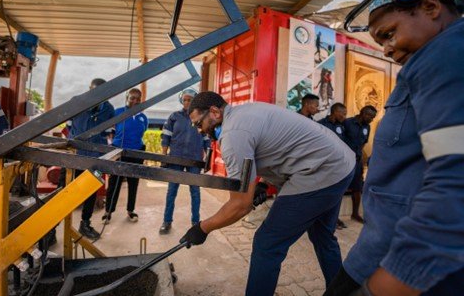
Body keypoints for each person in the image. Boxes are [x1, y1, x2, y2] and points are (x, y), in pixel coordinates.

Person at [324, 0, 464, 295]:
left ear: (430, 8)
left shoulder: (443, 54)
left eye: (389, 34)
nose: (387, 49)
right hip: (382, 246)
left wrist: (391, 282)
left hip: (402, 258)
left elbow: (456, 181)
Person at [182, 91, 355, 295]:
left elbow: (240, 205)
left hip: (321, 171)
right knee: (322, 236)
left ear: (214, 111)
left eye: (198, 123)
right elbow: (278, 147)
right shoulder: (244, 112)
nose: (199, 130)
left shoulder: (233, 134)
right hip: (342, 163)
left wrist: (202, 228)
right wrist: (262, 184)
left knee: (267, 243)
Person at [67, 78, 115, 240]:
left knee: (90, 191)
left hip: (95, 156)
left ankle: (85, 223)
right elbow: (68, 127)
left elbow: (109, 133)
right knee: (67, 191)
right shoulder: (77, 102)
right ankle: (51, 228)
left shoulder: (108, 109)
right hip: (76, 155)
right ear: (89, 90)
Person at [159, 88, 210, 234]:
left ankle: (196, 223)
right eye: (185, 99)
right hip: (176, 158)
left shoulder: (201, 117)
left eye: (190, 100)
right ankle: (166, 221)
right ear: (181, 100)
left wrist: (207, 159)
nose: (187, 102)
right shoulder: (174, 116)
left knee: (195, 192)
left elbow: (206, 139)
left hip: (195, 160)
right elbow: (166, 136)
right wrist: (164, 155)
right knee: (171, 191)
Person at [102, 88, 148, 223]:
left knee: (133, 183)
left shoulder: (142, 117)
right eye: (132, 98)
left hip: (136, 152)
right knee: (114, 183)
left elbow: (142, 131)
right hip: (119, 151)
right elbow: (111, 131)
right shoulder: (118, 112)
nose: (135, 101)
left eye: (138, 99)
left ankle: (130, 210)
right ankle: (108, 212)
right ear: (127, 98)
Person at [343, 105, 377, 223]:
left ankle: (355, 214)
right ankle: (335, 217)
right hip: (345, 160)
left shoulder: (367, 127)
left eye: (373, 117)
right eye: (370, 116)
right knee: (341, 186)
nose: (371, 119)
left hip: (357, 161)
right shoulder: (347, 123)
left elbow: (364, 142)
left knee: (357, 187)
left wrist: (360, 154)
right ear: (363, 113)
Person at [318, 103, 348, 229]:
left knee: (336, 192)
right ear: (335, 111)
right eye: (343, 113)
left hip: (338, 164)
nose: (345, 116)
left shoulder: (342, 126)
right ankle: (322, 218)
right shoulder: (321, 124)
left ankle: (334, 218)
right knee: (324, 192)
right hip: (324, 164)